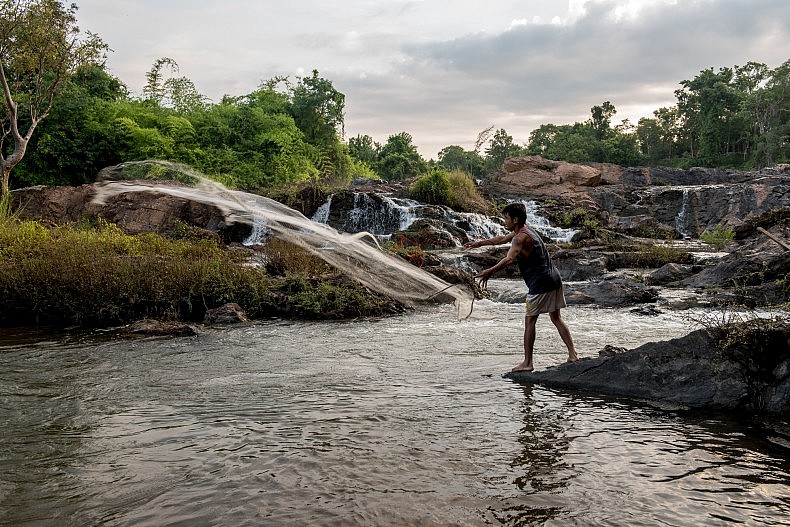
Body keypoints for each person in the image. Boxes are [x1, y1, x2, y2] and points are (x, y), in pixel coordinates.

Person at [464, 202, 578, 372]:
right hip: (554, 279)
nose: (504, 221)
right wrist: (479, 243)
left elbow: (509, 259)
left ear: (515, 219)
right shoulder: (526, 230)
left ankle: (528, 363)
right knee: (556, 318)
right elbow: (502, 239)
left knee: (530, 322)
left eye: (506, 218)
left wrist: (489, 271)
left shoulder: (520, 238)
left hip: (540, 283)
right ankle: (573, 354)